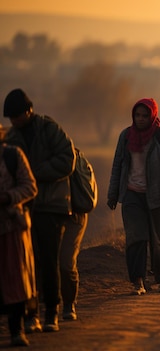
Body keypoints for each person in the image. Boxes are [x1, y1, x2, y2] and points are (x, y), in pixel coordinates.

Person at [4, 88, 76, 333]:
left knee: (48, 261)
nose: (14, 121)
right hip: (24, 209)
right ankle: (31, 314)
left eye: (17, 116)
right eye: (11, 118)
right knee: (26, 264)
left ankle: (51, 313)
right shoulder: (12, 139)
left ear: (29, 110)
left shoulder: (49, 129)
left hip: (52, 206)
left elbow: (67, 159)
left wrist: (33, 173)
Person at [107, 98, 160, 295]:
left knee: (159, 240)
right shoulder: (126, 136)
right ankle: (138, 282)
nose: (140, 119)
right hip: (132, 195)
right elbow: (117, 165)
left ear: (153, 116)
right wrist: (113, 194)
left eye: (144, 115)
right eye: (137, 115)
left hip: (157, 195)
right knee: (135, 239)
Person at [0, 122, 38, 346]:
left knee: (16, 280)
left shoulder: (13, 156)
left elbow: (30, 187)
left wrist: (7, 198)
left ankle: (17, 330)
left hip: (12, 229)